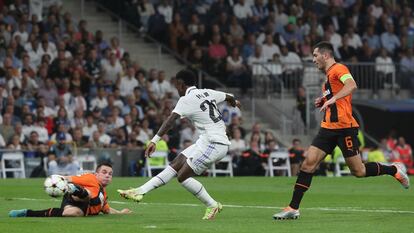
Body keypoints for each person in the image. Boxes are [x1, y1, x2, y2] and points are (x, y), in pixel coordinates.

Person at [273, 41, 410, 220]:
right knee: (308, 164)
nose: (313, 59)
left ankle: (393, 170)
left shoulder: (339, 69)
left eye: (315, 55)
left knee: (358, 171)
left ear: (326, 55)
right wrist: (324, 100)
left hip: (345, 128)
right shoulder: (328, 79)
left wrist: (331, 99)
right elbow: (336, 97)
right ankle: (293, 207)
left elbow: (352, 85)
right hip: (327, 129)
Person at [117, 69, 241, 220]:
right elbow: (229, 96)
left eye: (176, 84)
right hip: (206, 140)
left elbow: (170, 121)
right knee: (176, 163)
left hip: (215, 144)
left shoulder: (186, 99)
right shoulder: (207, 92)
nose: (176, 88)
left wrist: (154, 140)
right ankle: (140, 191)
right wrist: (235, 102)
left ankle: (212, 205)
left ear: (181, 84)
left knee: (182, 176)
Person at [9, 163, 131, 217]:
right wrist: (57, 180)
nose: (107, 175)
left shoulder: (103, 196)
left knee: (72, 214)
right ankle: (73, 189)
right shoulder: (90, 178)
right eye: (104, 172)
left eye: (110, 174)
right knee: (88, 195)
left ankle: (26, 213)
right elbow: (68, 177)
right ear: (96, 174)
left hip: (79, 209)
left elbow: (107, 211)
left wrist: (121, 212)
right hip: (73, 198)